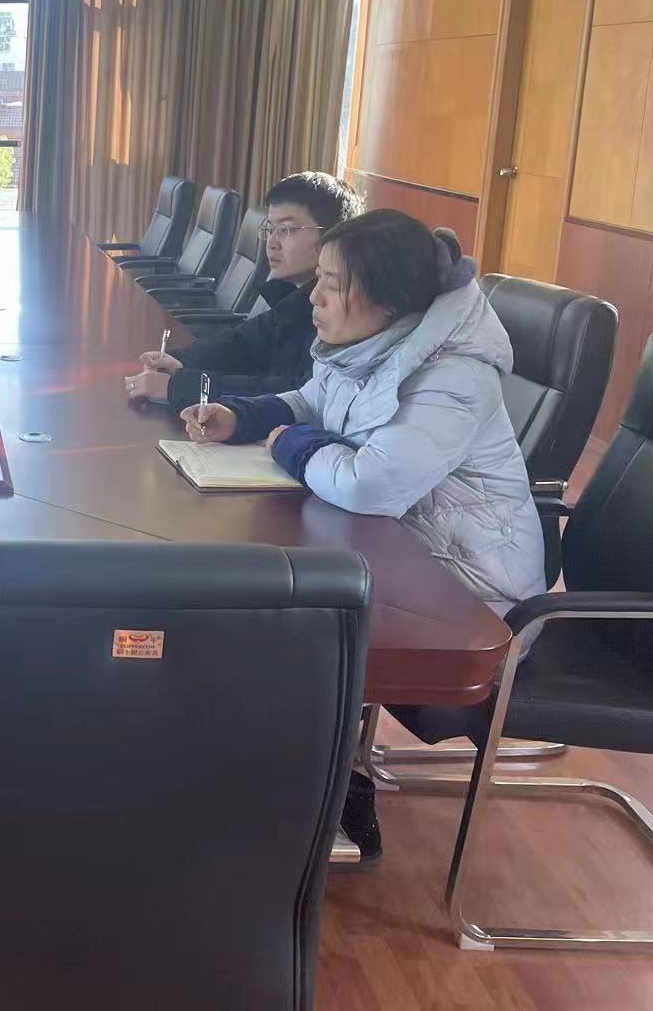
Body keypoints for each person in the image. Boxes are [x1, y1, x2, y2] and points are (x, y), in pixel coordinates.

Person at [180, 209, 545, 863]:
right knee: (270, 599)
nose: (314, 298)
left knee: (289, 618)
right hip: (405, 555)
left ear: (387, 300)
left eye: (332, 284)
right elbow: (311, 402)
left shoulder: (454, 377)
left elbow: (369, 485)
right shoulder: (373, 344)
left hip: (472, 597)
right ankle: (292, 767)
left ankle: (322, 795)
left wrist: (289, 444)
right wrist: (242, 417)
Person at [124, 172, 362, 412]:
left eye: (286, 229)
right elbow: (241, 343)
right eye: (270, 229)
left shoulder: (343, 314)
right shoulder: (292, 296)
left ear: (332, 237)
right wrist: (179, 361)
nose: (272, 243)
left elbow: (297, 393)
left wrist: (179, 386)